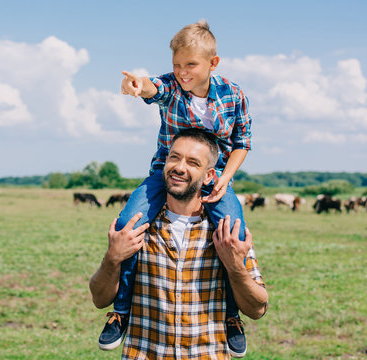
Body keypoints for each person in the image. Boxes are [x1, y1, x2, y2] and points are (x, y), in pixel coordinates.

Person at [98, 20, 253, 356]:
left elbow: (242, 141)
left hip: (214, 178)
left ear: (213, 63)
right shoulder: (171, 86)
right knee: (128, 225)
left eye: (191, 65)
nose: (183, 72)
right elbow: (156, 88)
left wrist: (225, 177)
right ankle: (120, 312)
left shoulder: (233, 94)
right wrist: (138, 85)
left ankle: (231, 317)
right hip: (164, 174)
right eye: (177, 65)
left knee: (234, 234)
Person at [90, 129, 267, 359]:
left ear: (209, 176)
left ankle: (233, 321)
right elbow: (99, 298)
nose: (180, 167)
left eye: (193, 162)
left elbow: (257, 309)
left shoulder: (226, 233)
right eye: (174, 157)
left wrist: (235, 266)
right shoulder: (137, 227)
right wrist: (112, 258)